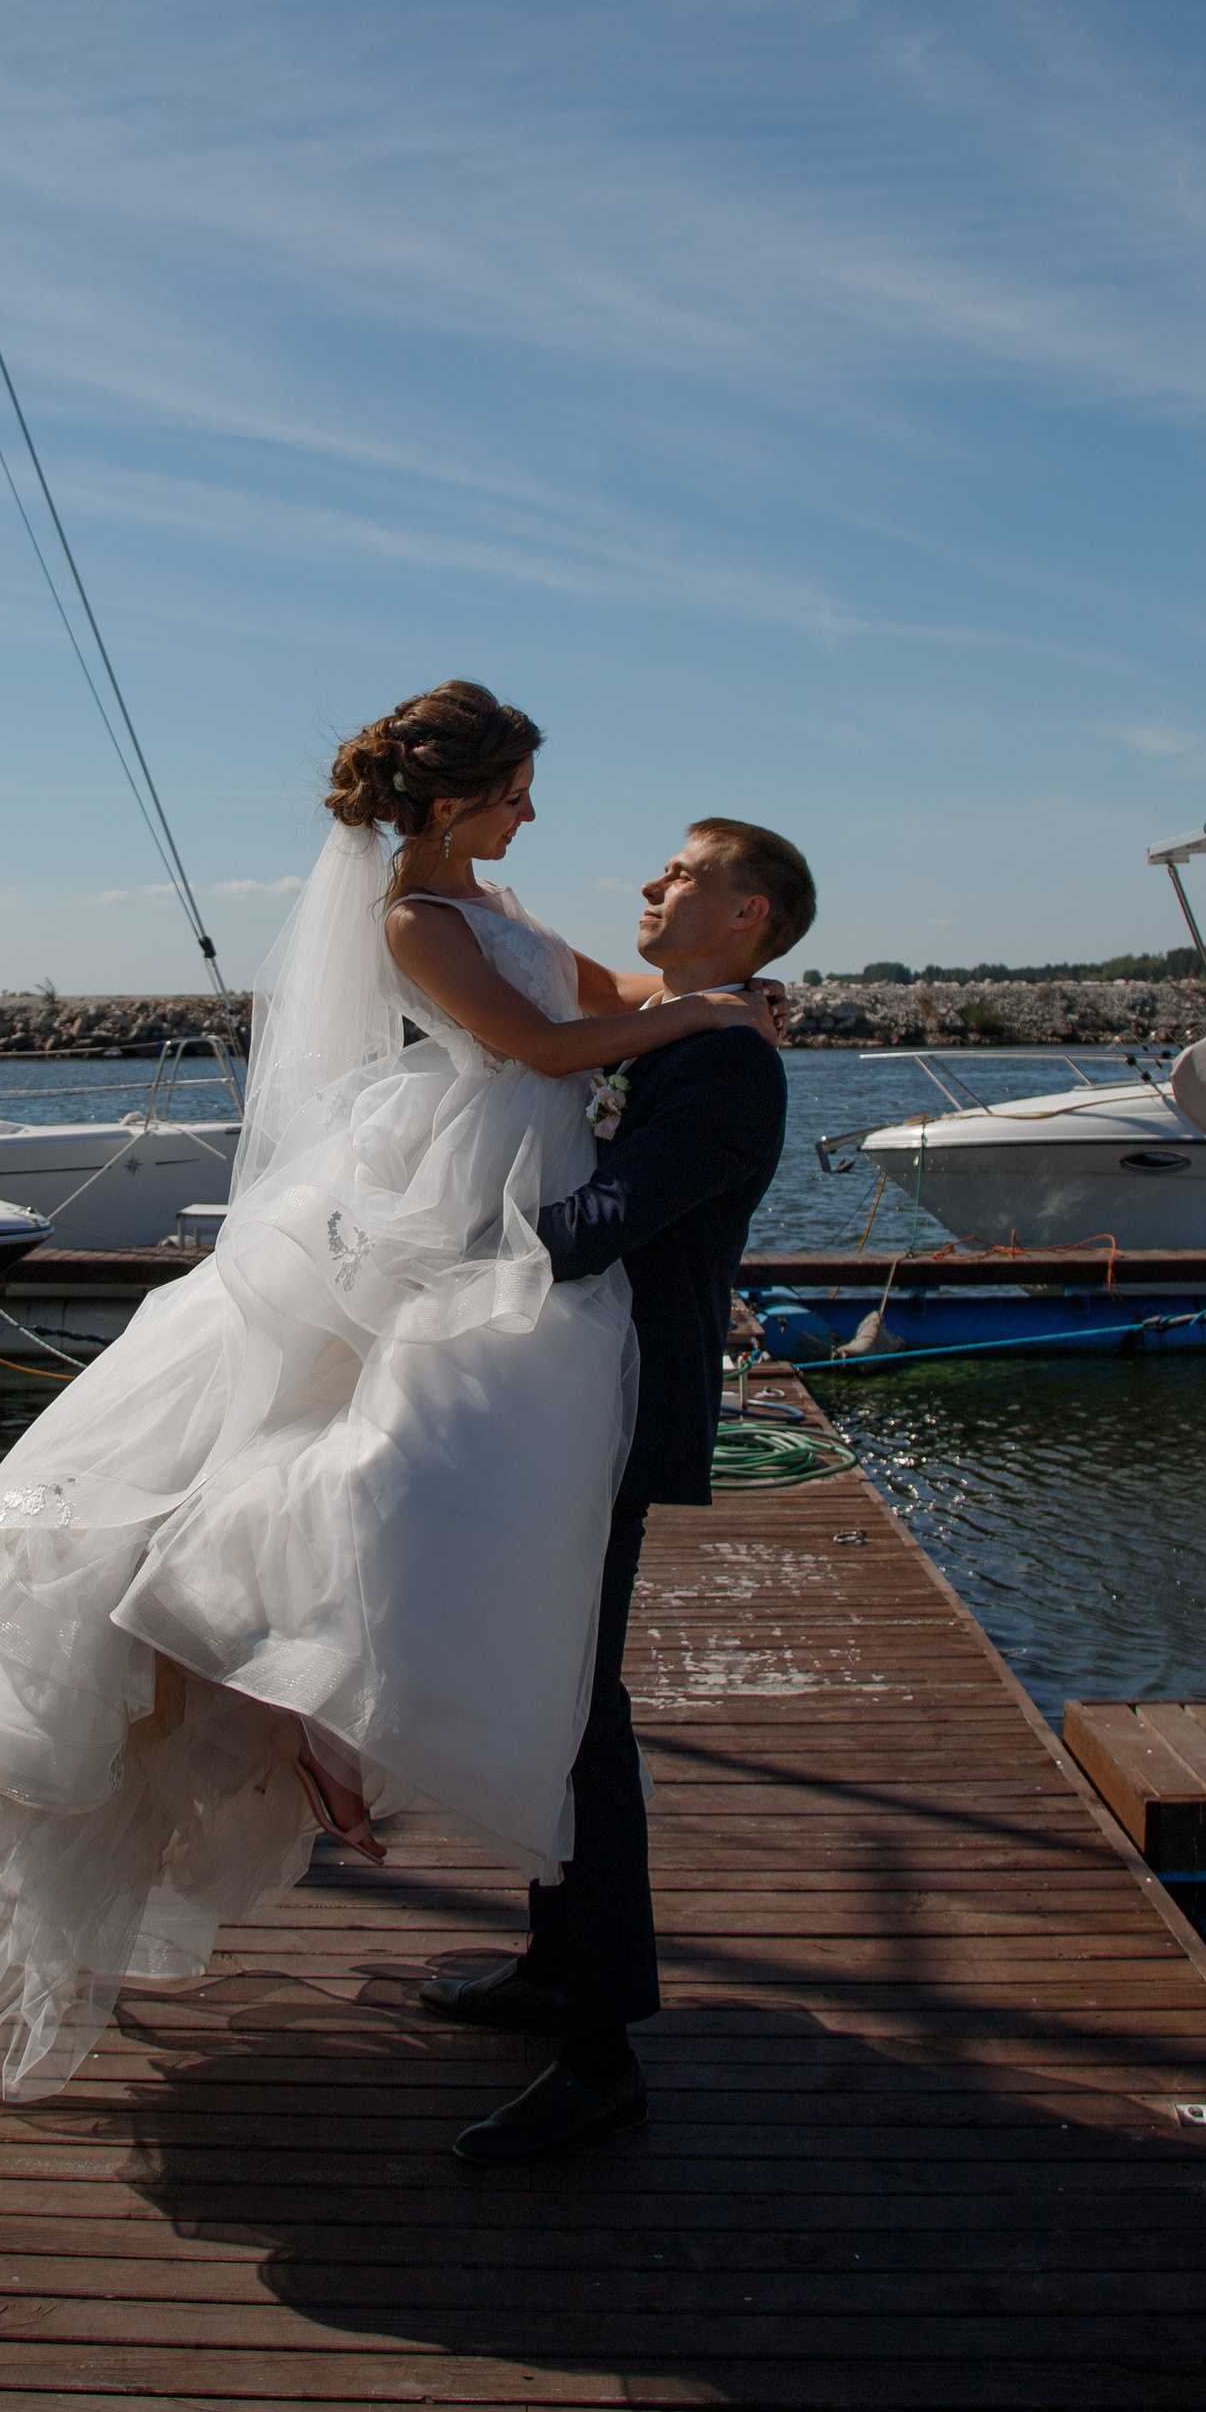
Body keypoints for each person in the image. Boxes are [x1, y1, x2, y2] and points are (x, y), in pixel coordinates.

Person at [0, 681, 780, 2106]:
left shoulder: (512, 914)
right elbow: (542, 1050)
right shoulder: (417, 918)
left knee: (546, 1666)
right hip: (490, 1220)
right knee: (367, 1511)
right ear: (459, 796)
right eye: (521, 786)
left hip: (546, 1273)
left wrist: (721, 1006)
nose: (538, 811)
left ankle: (556, 1976)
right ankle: (346, 1741)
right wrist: (710, 1013)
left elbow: (613, 999)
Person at [423, 816, 815, 2165]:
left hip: (617, 1408)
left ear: (747, 913)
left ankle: (602, 2056)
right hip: (563, 1402)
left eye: (685, 874)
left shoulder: (728, 1072)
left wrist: (436, 1258)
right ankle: (551, 1963)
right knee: (550, 1688)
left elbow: (601, 1226)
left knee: (581, 1713)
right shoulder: (698, 1034)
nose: (653, 885)